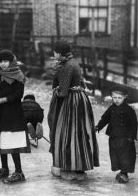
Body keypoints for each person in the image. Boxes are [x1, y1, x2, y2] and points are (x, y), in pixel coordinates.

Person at [47, 40, 99, 181]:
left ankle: (69, 166)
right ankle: (79, 166)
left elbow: (63, 92)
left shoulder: (66, 67)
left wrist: (56, 91)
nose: (53, 54)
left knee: (66, 133)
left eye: (55, 51)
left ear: (59, 53)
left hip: (70, 103)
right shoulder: (73, 62)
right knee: (79, 133)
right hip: (80, 100)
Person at [0, 50, 30, 183]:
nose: (3, 64)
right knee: (1, 140)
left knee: (12, 142)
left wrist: (1, 100)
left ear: (11, 62)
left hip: (12, 113)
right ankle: (4, 169)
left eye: (5, 61)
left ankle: (19, 172)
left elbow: (18, 95)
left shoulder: (18, 75)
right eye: (0, 61)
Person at [95, 86, 138, 183]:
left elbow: (134, 124)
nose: (117, 100)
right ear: (112, 97)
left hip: (125, 138)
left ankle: (124, 174)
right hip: (114, 137)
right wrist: (98, 127)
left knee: (125, 156)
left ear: (124, 97)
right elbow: (105, 119)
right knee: (115, 155)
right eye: (114, 97)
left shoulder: (129, 110)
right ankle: (121, 172)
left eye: (119, 98)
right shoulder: (111, 109)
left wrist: (131, 136)